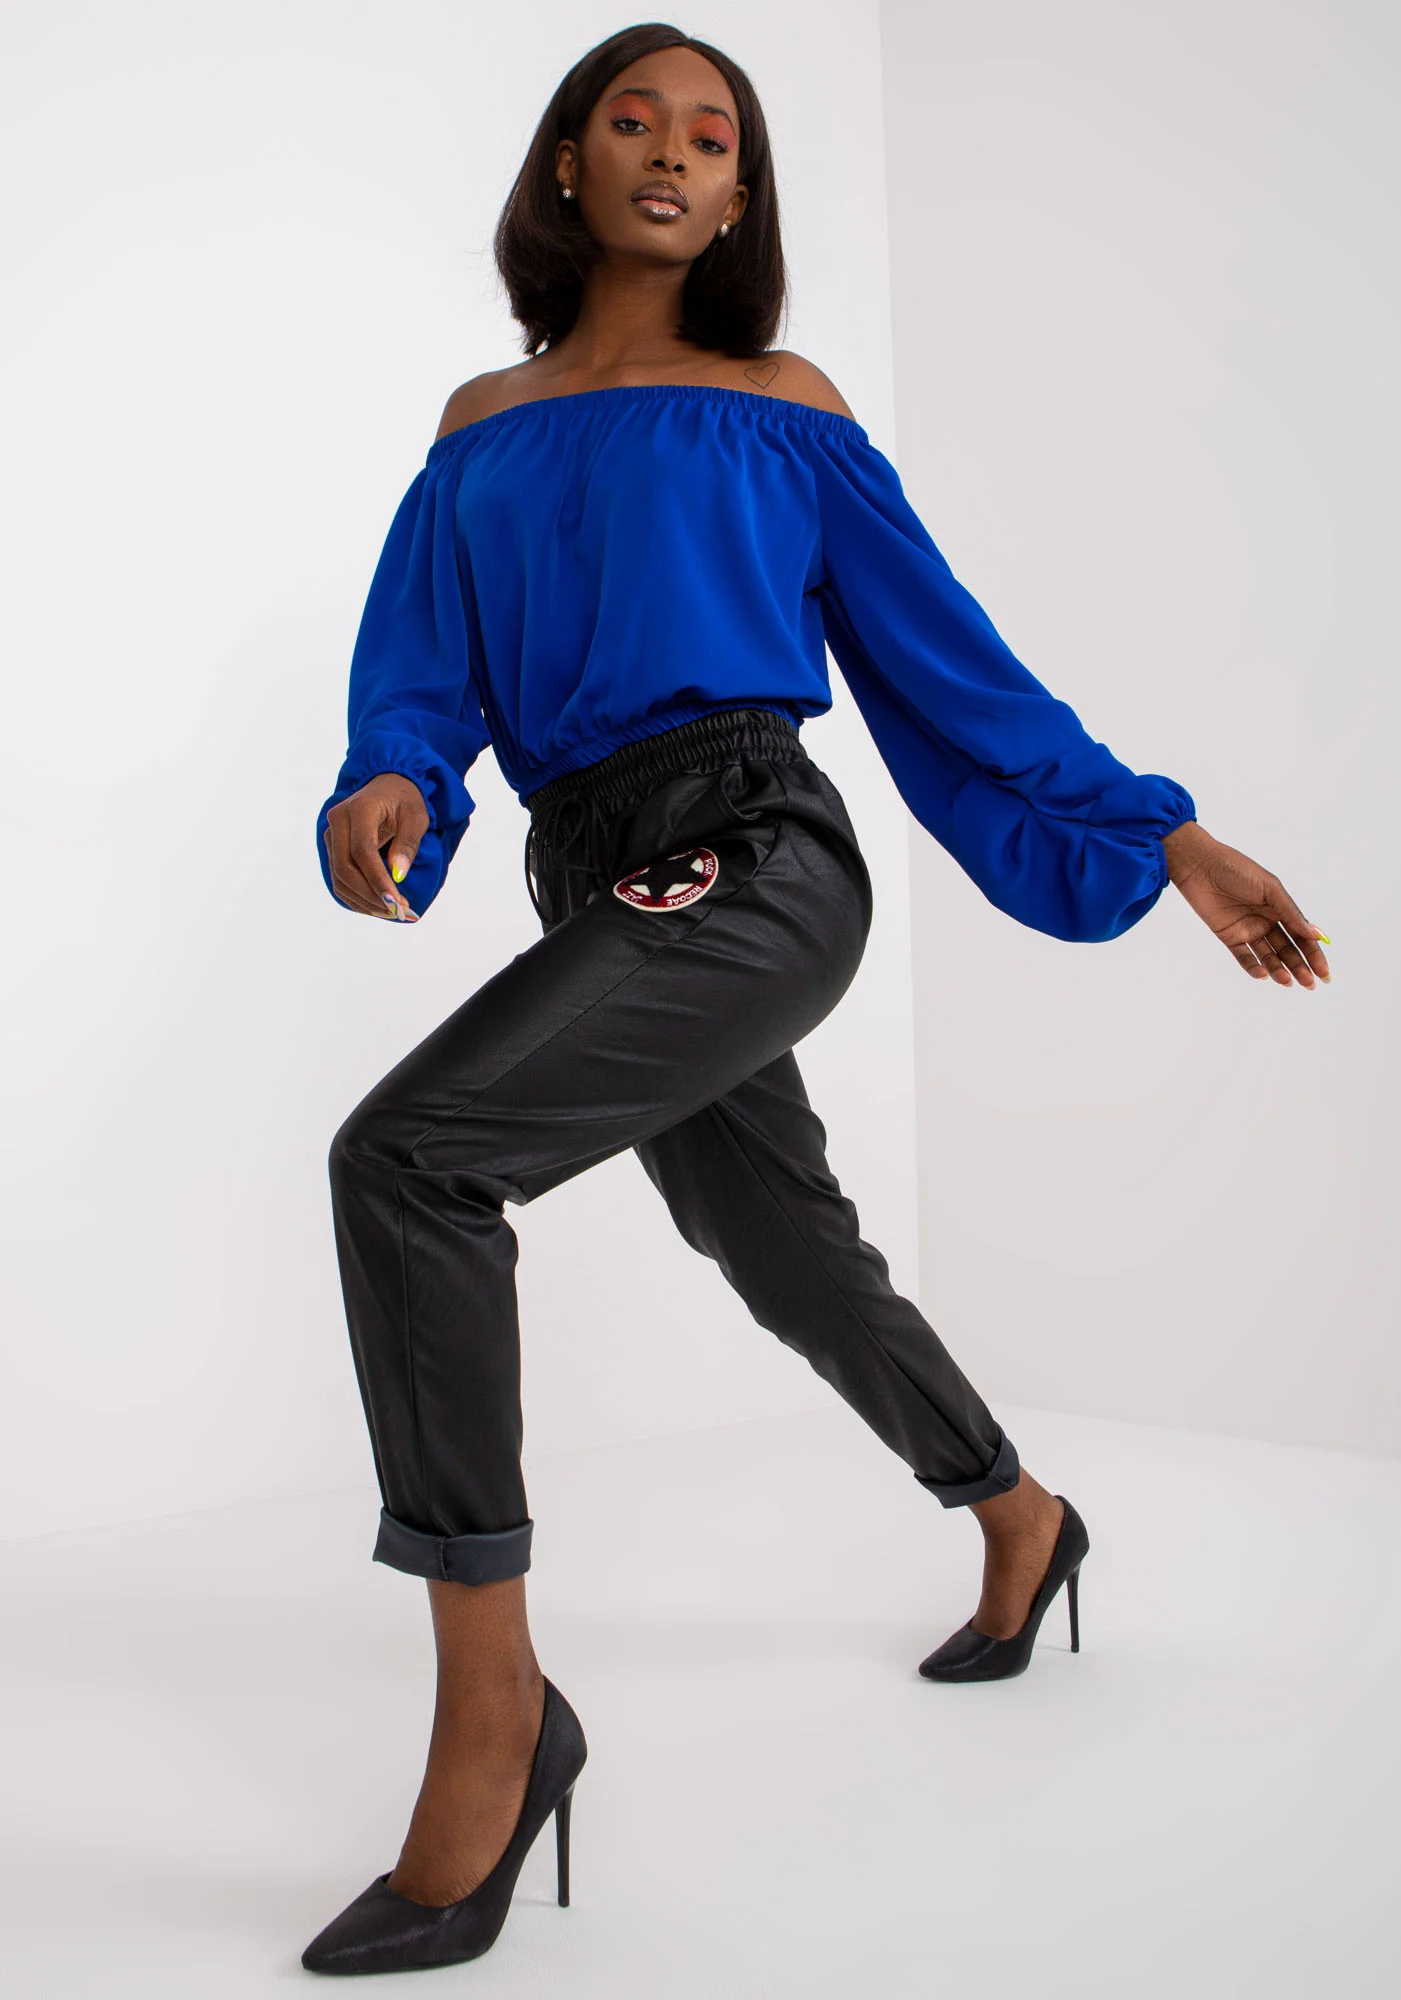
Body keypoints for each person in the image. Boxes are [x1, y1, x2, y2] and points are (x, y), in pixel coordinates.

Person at [300, 22, 1331, 1979]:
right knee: (786, 1255)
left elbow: (956, 666)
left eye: (716, 139)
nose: (675, 156)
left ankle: (496, 1718)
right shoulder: (478, 426)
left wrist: (1165, 834)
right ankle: (1020, 1512)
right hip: (591, 873)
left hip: (752, 853)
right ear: (567, 166)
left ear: (740, 196)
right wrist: (393, 782)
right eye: (635, 123)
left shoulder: (785, 410)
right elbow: (419, 676)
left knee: (410, 1161)